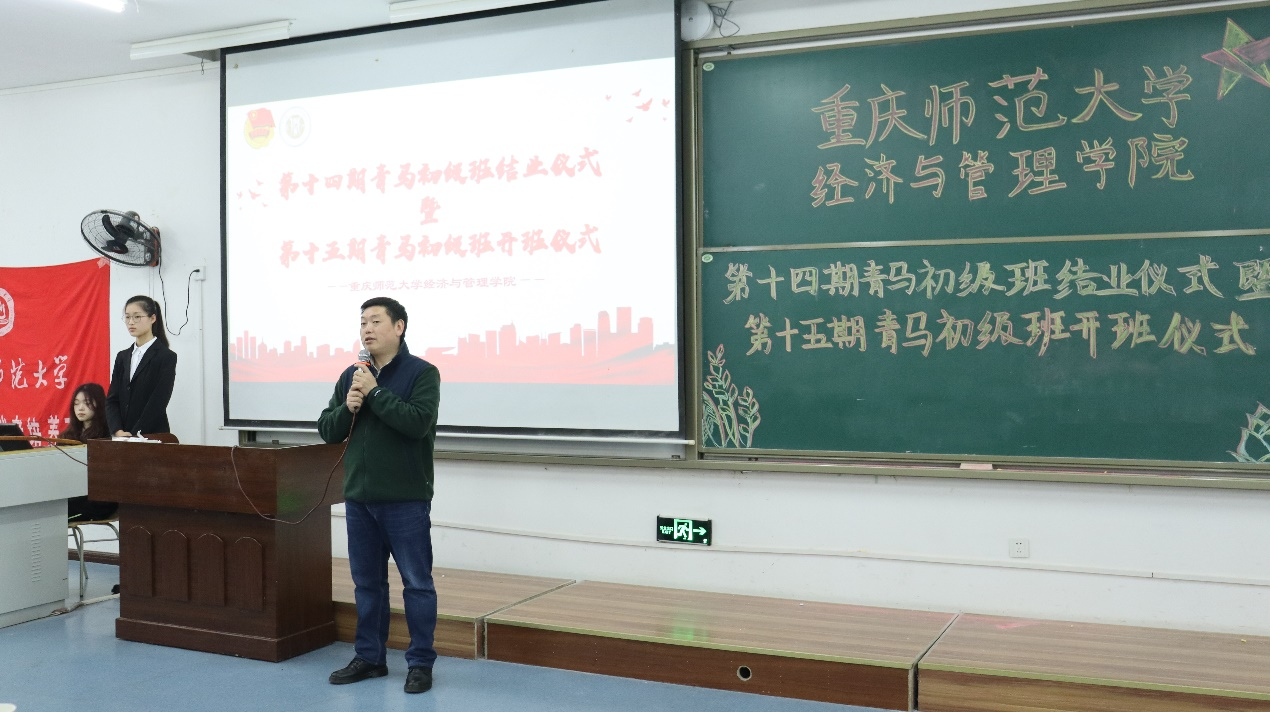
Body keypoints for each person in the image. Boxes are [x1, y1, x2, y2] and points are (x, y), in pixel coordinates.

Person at [318, 296, 441, 695]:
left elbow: (417, 423)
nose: (367, 329)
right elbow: (328, 429)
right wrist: (348, 406)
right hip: (359, 499)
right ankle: (370, 657)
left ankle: (420, 663)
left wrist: (374, 394)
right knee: (367, 584)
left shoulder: (422, 373)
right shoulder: (353, 374)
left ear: (399, 327)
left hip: (405, 499)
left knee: (417, 583)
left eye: (375, 321)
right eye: (362, 323)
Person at [105, 295, 177, 438]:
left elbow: (158, 401)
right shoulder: (122, 357)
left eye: (137, 317)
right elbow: (112, 399)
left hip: (151, 435)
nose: (131, 322)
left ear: (152, 318)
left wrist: (135, 434)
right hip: (122, 436)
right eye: (127, 317)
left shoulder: (166, 356)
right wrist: (117, 430)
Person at [62, 383, 117, 521]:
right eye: (76, 403)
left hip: (98, 500)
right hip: (75, 494)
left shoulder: (107, 436)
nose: (80, 408)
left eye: (87, 403)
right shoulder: (67, 436)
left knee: (57, 512)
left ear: (99, 404)